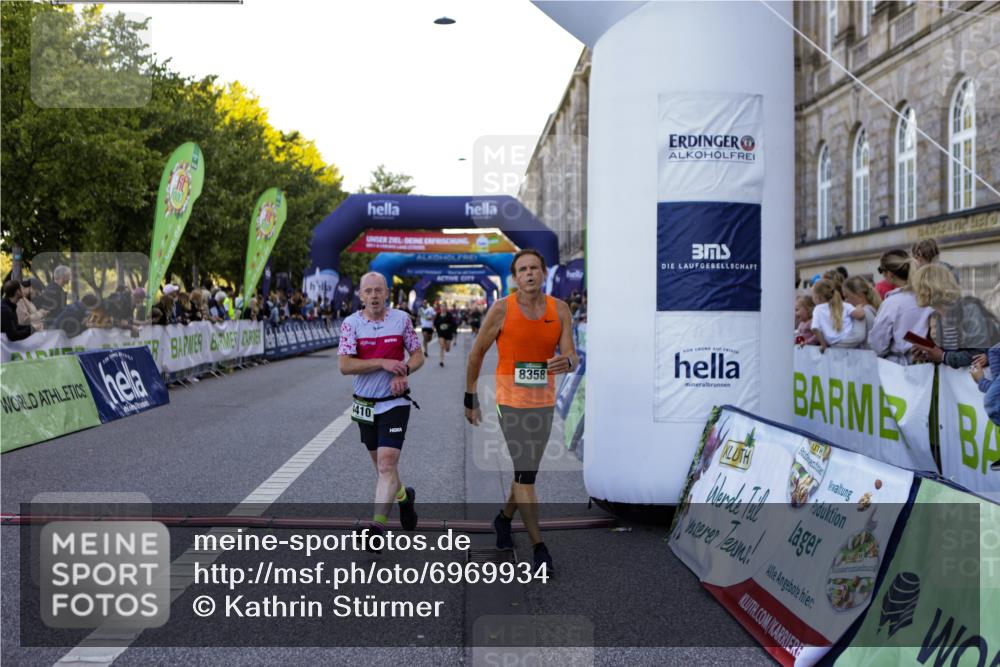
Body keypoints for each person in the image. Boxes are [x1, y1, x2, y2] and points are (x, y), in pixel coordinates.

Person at [465, 249, 578, 574]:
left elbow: (571, 355)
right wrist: (469, 398)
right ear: (515, 277)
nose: (529, 274)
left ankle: (503, 520)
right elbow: (476, 354)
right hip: (509, 402)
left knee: (524, 474)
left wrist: (567, 362)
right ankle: (539, 548)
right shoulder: (501, 309)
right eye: (523, 269)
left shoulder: (560, 309)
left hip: (543, 401)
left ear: (543, 273)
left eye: (534, 268)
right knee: (525, 471)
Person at [338, 272, 425, 549]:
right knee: (382, 468)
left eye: (378, 290)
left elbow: (418, 354)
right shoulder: (351, 325)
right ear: (361, 295)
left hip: (395, 402)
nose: (374, 296)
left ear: (387, 293)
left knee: (387, 463)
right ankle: (404, 499)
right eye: (368, 291)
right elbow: (346, 366)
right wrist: (383, 363)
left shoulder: (401, 320)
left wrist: (405, 371)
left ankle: (377, 527)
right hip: (365, 404)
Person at [909, 264, 999, 368]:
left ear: (927, 289)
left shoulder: (969, 310)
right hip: (957, 381)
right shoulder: (938, 315)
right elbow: (949, 352)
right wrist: (928, 354)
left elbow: (978, 354)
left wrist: (943, 356)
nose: (915, 293)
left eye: (917, 288)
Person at [868, 250, 933, 365]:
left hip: (899, 367)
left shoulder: (892, 303)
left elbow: (878, 344)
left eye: (881, 271)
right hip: (929, 362)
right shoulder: (928, 296)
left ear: (890, 274)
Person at [837, 276, 881, 349]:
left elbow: (857, 337)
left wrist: (833, 345)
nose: (845, 301)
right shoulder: (872, 308)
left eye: (846, 296)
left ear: (859, 294)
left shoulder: (861, 312)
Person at [810, 279, 851, 352]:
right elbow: (858, 314)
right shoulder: (842, 304)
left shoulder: (818, 309)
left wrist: (823, 345)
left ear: (818, 297)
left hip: (834, 344)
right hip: (849, 339)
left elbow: (814, 328)